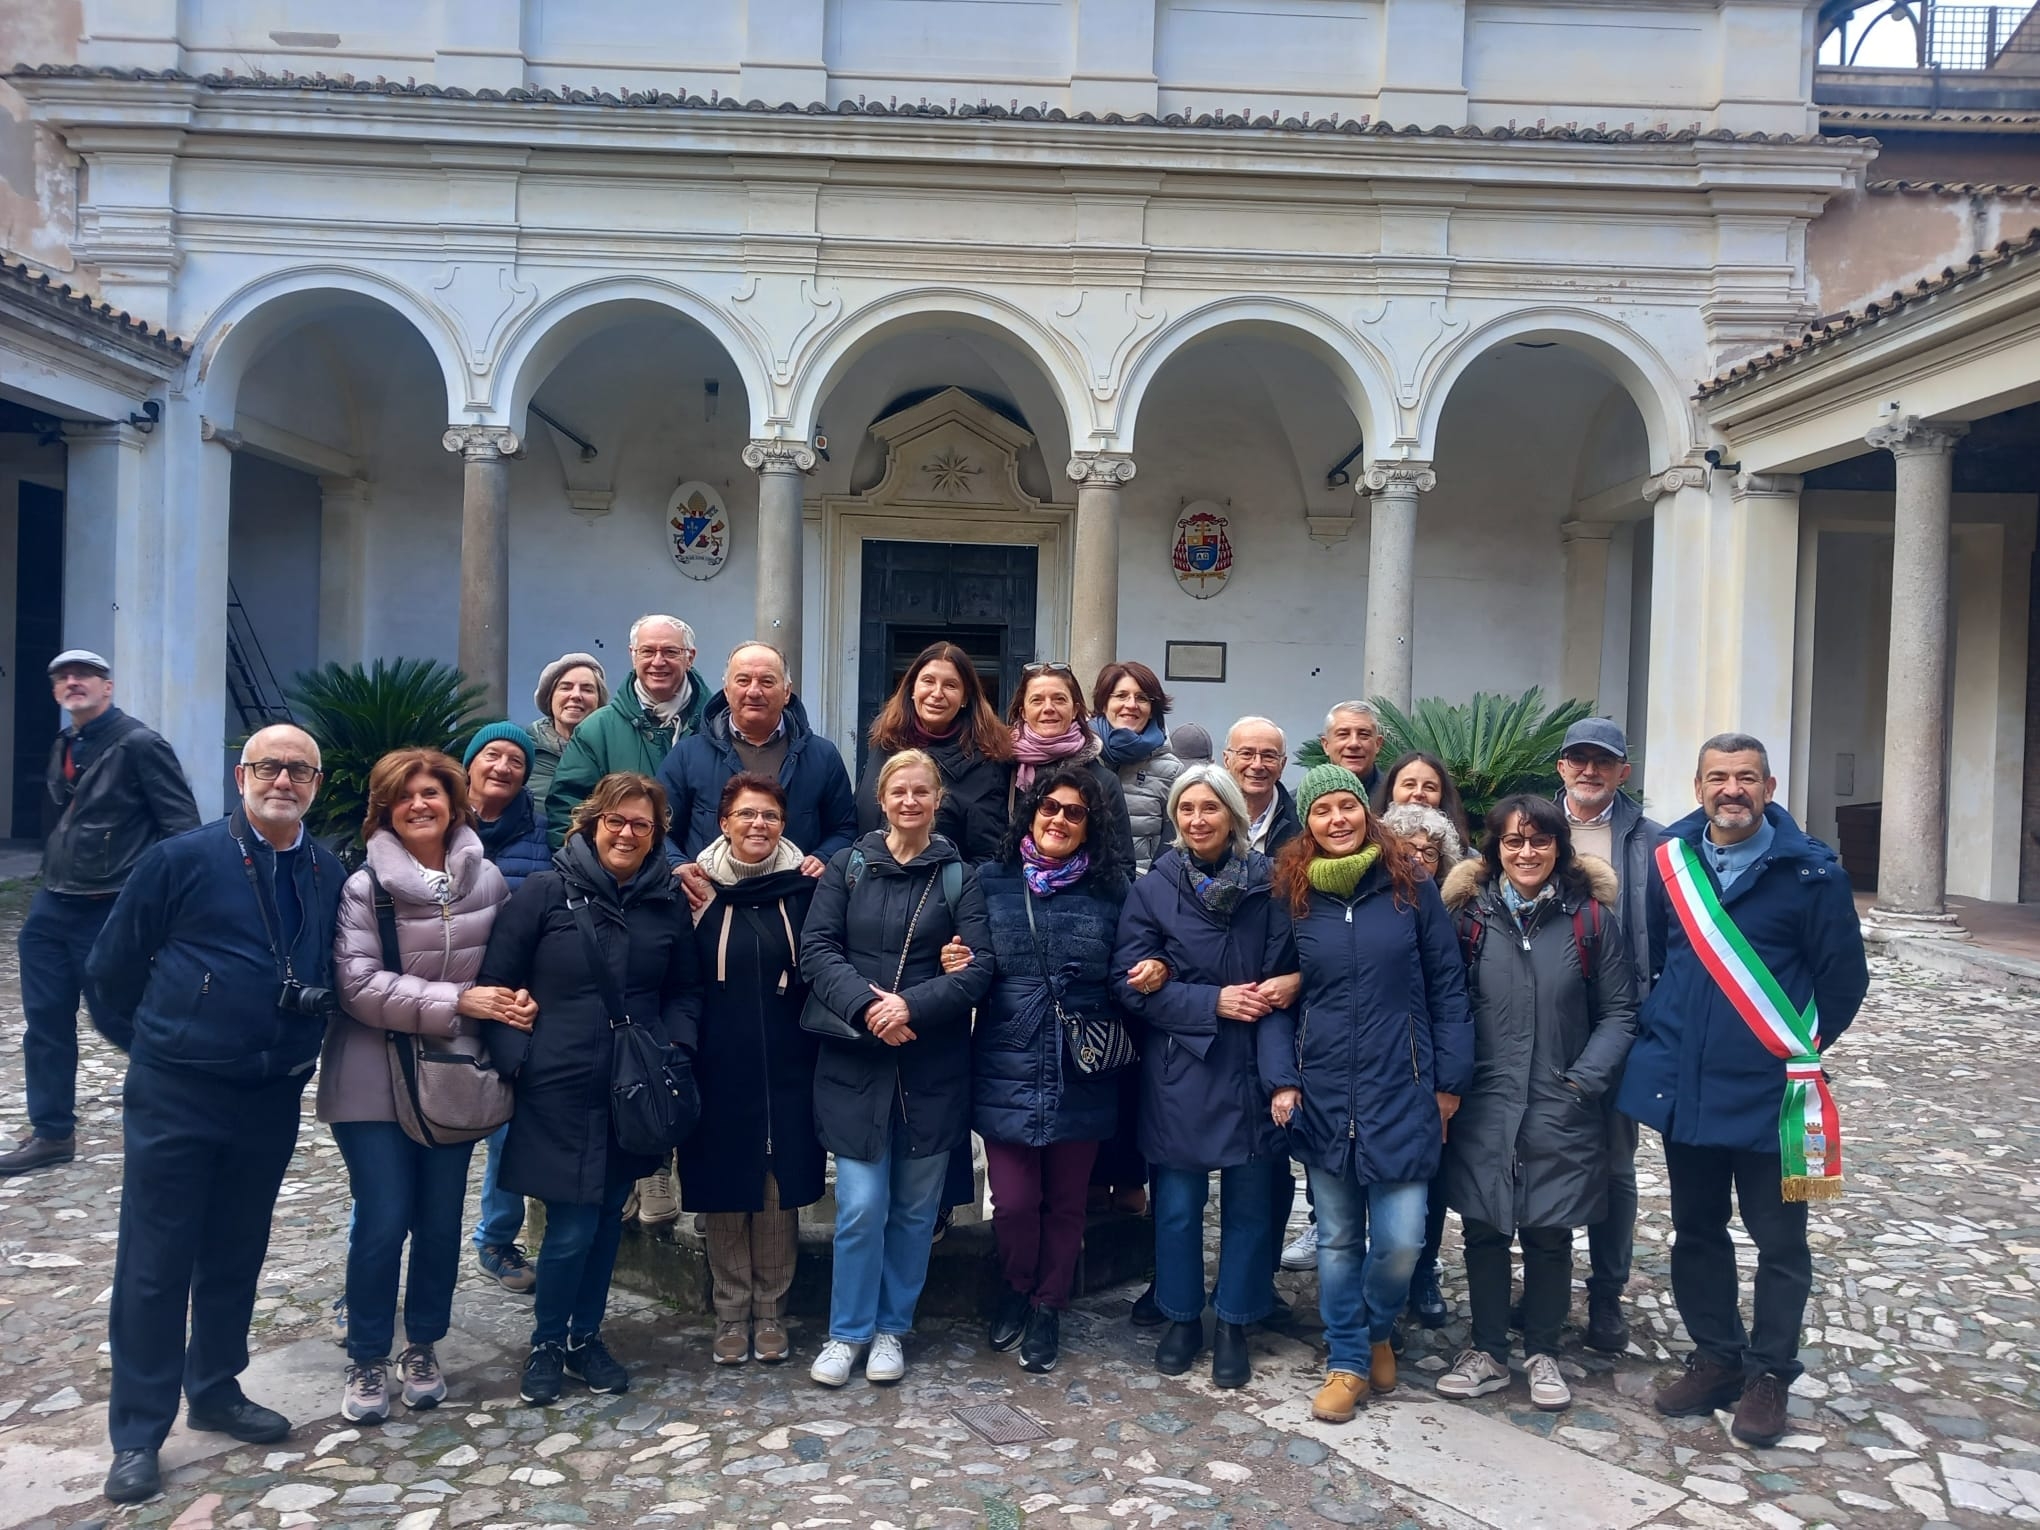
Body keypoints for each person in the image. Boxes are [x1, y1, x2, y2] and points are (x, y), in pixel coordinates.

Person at [84, 725, 342, 1505]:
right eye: (270, 767)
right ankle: (137, 1432)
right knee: (155, 1262)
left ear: (317, 784)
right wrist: (166, 1047)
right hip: (177, 1092)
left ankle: (217, 1387)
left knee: (236, 1249)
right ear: (242, 776)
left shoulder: (328, 868)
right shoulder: (182, 860)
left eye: (300, 770)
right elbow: (108, 973)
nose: (284, 780)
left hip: (270, 1094)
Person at [1619, 734, 1867, 1449]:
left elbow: (1843, 982)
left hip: (1772, 1094)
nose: (1733, 790)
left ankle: (1769, 1374)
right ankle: (1717, 1357)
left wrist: (1796, 1051)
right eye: (1719, 777)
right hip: (1688, 1088)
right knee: (1697, 1230)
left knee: (1780, 1239)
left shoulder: (1813, 873)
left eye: (1747, 778)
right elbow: (1664, 956)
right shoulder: (1671, 862)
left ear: (1770, 786)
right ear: (1698, 786)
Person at [479, 772, 703, 1405]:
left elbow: (685, 989)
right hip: (557, 1082)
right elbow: (495, 984)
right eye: (616, 821)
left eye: (642, 824)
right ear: (590, 824)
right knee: (571, 1223)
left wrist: (675, 1047)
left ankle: (585, 1336)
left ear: (658, 834)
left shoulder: (665, 903)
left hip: (633, 1086)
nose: (627, 834)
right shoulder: (544, 894)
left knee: (607, 1219)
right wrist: (518, 1061)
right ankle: (549, 1342)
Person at [1261, 764, 1472, 1425]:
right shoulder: (1291, 894)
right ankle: (1348, 1357)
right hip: (1323, 1089)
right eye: (1322, 810)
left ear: (1366, 812)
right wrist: (1283, 1079)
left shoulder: (1411, 888)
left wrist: (1448, 1084)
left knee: (1403, 1239)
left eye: (1346, 807)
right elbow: (1273, 996)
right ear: (1310, 823)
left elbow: (1448, 987)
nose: (1337, 820)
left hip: (1401, 1087)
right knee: (1338, 1238)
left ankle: (1379, 1325)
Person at [325, 750, 527, 1422]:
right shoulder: (365, 888)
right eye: (405, 796)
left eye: (432, 794)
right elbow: (356, 986)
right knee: (383, 1219)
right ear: (385, 809)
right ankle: (366, 1354)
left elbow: (510, 964)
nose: (420, 805)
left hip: (451, 1077)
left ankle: (424, 1345)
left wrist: (514, 1005)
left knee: (440, 1223)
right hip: (370, 1076)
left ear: (453, 803)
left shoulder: (488, 881)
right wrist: (461, 1001)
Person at [1433, 795, 1637, 1412]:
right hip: (1487, 1099)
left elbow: (1621, 1012)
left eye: (1540, 841)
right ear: (1493, 850)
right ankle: (1489, 1350)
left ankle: (1542, 1348)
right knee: (1484, 1228)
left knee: (1550, 1230)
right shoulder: (1469, 918)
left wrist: (1582, 1083)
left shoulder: (1591, 921)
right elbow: (1448, 1004)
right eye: (1514, 842)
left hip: (1560, 1096)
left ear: (1559, 847)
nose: (1527, 853)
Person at [799, 749, 992, 1389]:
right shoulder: (849, 868)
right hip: (856, 1060)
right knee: (859, 1205)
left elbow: (981, 968)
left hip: (930, 1063)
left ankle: (891, 1329)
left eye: (921, 792)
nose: (909, 801)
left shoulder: (960, 876)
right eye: (898, 792)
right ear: (881, 801)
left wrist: (912, 1004)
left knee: (913, 1210)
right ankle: (846, 1331)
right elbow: (817, 949)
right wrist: (868, 1007)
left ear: (938, 801)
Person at [1113, 764, 1294, 1390]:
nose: (1196, 819)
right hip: (1181, 1067)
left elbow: (1284, 977)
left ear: (1232, 816)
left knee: (1250, 1206)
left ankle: (1237, 1320)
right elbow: (1126, 985)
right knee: (1180, 1207)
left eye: (1209, 808)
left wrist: (1281, 1070)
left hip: (1249, 1065)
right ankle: (1182, 1316)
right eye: (1185, 808)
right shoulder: (1154, 888)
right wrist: (1206, 1001)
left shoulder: (1269, 886)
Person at [3, 650, 200, 1178]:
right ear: (55, 692)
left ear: (107, 687)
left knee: (116, 1015)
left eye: (85, 675)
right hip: (54, 901)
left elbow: (181, 828)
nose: (73, 682)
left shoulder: (140, 744)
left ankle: (189, 1096)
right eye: (63, 677)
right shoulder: (67, 743)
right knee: (44, 1021)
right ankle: (51, 1132)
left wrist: (157, 902)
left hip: (112, 904)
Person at [962, 765, 1130, 1374]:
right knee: (1011, 1201)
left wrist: (1145, 978)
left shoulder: (1112, 892)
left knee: (1066, 1202)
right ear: (1031, 813)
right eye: (1049, 808)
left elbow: (1125, 970)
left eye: (1075, 813)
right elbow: (968, 955)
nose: (1059, 819)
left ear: (1091, 827)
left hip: (1079, 1064)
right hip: (1006, 1056)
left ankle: (1047, 1306)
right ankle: (1016, 1285)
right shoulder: (990, 882)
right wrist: (954, 957)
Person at [676, 773, 823, 1368]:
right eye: (746, 815)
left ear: (783, 825)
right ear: (724, 823)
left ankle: (772, 1312)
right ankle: (730, 1311)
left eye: (769, 816)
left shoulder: (807, 888)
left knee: (774, 1190)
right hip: (717, 1059)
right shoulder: (692, 889)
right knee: (724, 1187)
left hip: (789, 1060)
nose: (758, 824)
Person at [1555, 717, 1665, 1354]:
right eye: (1579, 760)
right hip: (1544, 1021)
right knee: (1543, 1154)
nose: (1590, 770)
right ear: (1562, 767)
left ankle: (1606, 1294)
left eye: (1604, 761)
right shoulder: (1535, 828)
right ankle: (1545, 1281)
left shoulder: (1654, 843)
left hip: (1622, 1021)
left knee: (1616, 1166)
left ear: (1624, 771)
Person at [458, 723, 554, 1294]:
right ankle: (361, 1282)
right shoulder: (436, 824)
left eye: (516, 759)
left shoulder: (539, 833)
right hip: (441, 994)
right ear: (469, 763)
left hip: (512, 999)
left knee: (506, 1124)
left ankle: (496, 1238)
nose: (502, 766)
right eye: (491, 754)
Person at [660, 640, 857, 875]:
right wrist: (677, 865)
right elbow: (658, 828)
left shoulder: (822, 756)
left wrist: (823, 857)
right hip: (710, 899)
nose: (754, 691)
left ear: (786, 692)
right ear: (726, 690)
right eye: (743, 680)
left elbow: (844, 829)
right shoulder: (687, 755)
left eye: (767, 681)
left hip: (796, 898)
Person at [547, 615, 708, 845]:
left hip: (698, 876)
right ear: (633, 655)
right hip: (617, 876)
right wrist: (590, 872)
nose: (658, 661)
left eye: (671, 652)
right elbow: (568, 808)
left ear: (690, 657)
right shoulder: (597, 730)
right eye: (648, 651)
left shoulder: (716, 726)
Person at [854, 640, 1014, 863]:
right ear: (912, 688)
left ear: (965, 698)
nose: (937, 693)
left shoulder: (986, 763)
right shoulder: (885, 743)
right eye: (928, 681)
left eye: (950, 685)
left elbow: (988, 856)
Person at [1004, 662, 1136, 872]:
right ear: (1023, 712)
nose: (1048, 708)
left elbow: (1123, 865)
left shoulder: (1103, 781)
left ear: (1075, 709)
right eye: (1037, 700)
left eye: (1059, 699)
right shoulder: (1002, 770)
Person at [1091, 660, 1185, 875]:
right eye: (1121, 696)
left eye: (1142, 698)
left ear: (1152, 710)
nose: (1131, 704)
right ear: (1104, 703)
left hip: (1141, 889)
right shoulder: (1079, 756)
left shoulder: (1171, 771)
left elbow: (1175, 844)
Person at [527, 652, 608, 818]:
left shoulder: (612, 750)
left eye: (587, 689)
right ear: (550, 698)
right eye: (565, 687)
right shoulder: (524, 750)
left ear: (599, 702)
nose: (576, 695)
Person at [1224, 716, 1299, 856]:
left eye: (1269, 756)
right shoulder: (1207, 819)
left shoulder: (1302, 822)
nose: (1257, 765)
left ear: (1282, 765)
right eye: (1246, 754)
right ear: (1227, 760)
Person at [1373, 750, 1473, 853]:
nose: (1419, 793)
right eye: (1409, 784)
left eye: (1429, 787)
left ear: (1442, 796)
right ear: (1391, 791)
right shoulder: (1369, 847)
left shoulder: (1468, 861)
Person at [1320, 702, 1386, 796]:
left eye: (1364, 735)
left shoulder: (1396, 800)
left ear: (1378, 744)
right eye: (1343, 734)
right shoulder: (1300, 804)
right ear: (1326, 745)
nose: (1354, 744)